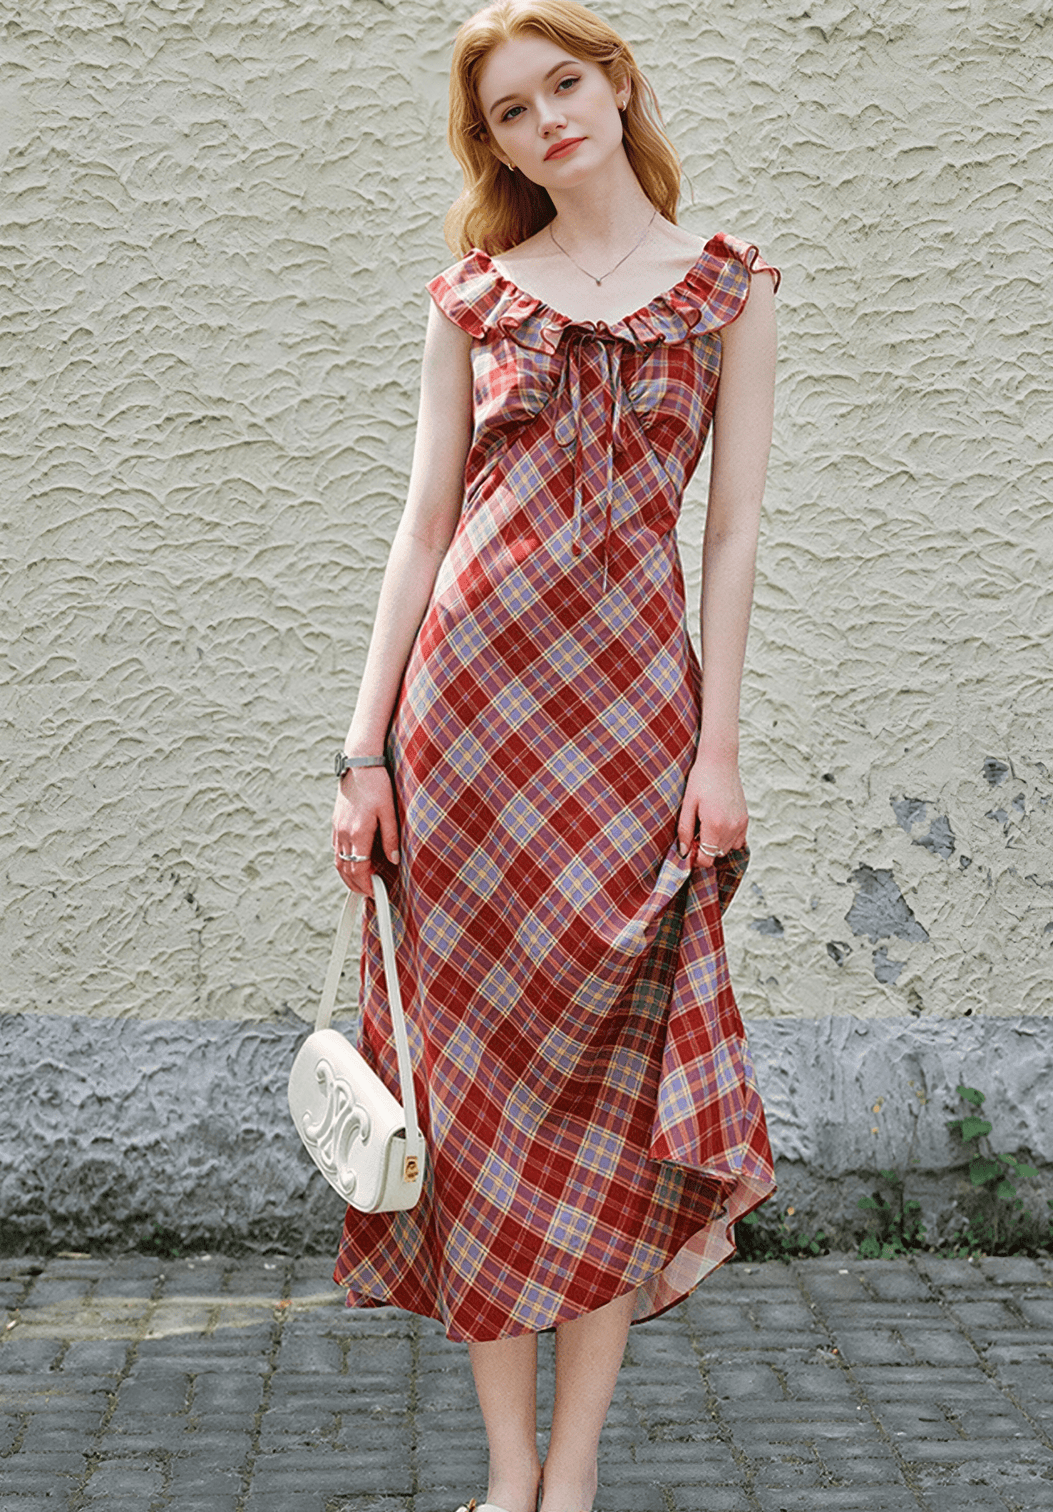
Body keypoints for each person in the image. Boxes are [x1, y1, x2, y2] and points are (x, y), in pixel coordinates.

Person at [330, 3, 777, 1510]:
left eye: (563, 85)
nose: (547, 123)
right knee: (473, 1100)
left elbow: (730, 535)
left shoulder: (729, 288)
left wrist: (718, 752)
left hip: (635, 732)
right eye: (512, 113)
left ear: (617, 82)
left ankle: (572, 1476)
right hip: (463, 731)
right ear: (498, 148)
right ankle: (509, 1476)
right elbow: (422, 528)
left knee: (612, 1101)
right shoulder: (474, 297)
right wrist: (363, 751)